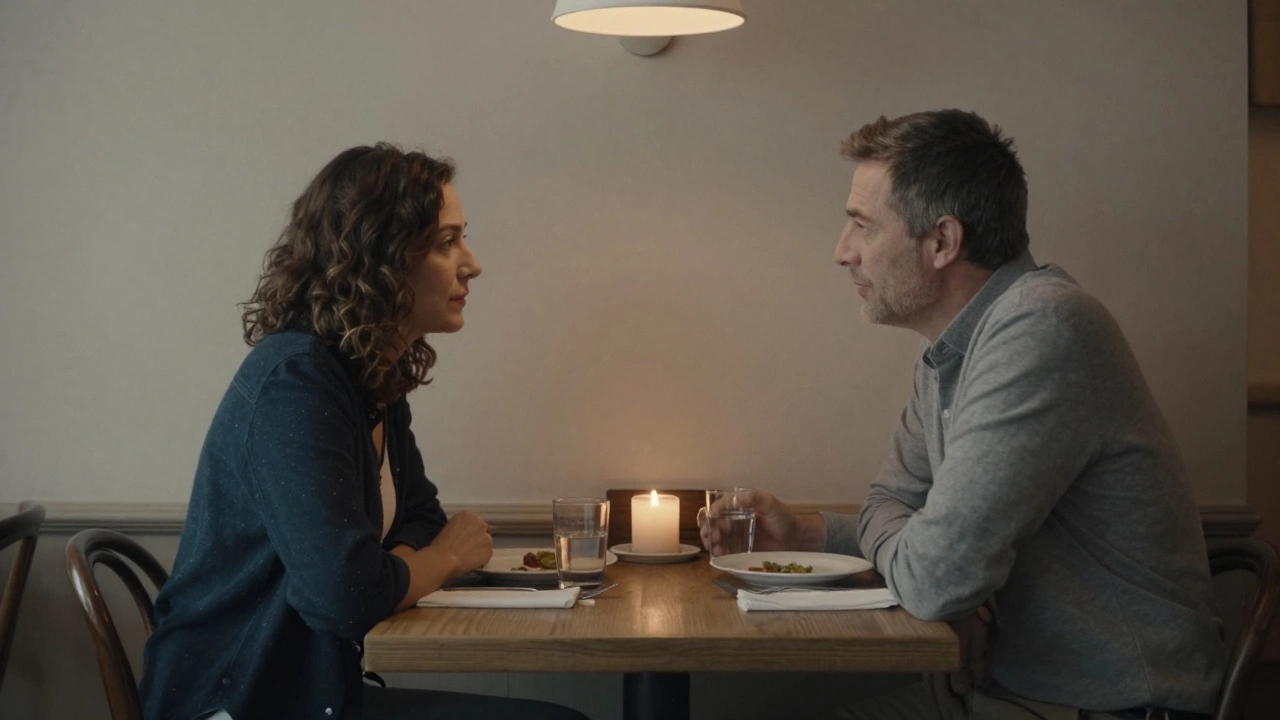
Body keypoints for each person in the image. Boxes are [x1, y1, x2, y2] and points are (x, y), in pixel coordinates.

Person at [701, 110, 1226, 720]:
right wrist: (812, 533)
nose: (842, 253)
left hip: (1108, 707)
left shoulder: (1041, 330)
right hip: (1005, 693)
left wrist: (954, 591)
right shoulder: (949, 352)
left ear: (943, 241)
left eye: (862, 227)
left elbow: (934, 578)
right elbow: (895, 515)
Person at [139, 144, 588, 720]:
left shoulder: (370, 376)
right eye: (446, 242)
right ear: (380, 257)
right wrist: (439, 563)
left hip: (313, 688)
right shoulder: (296, 380)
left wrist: (389, 575)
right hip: (240, 699)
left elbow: (420, 519)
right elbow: (345, 598)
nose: (472, 264)